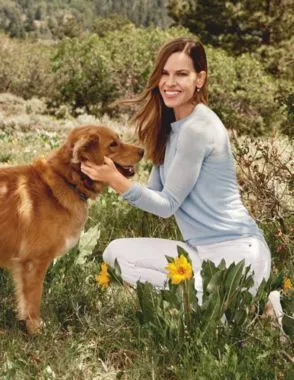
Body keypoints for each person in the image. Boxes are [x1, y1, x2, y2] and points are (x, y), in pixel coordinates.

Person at [81, 37, 271, 303]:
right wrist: (116, 172)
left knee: (210, 312)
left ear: (199, 79)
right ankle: (214, 301)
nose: (170, 83)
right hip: (197, 251)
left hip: (239, 253)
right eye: (165, 73)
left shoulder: (199, 127)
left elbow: (166, 206)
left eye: (181, 74)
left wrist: (114, 179)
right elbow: (155, 196)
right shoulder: (169, 130)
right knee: (115, 252)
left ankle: (259, 306)